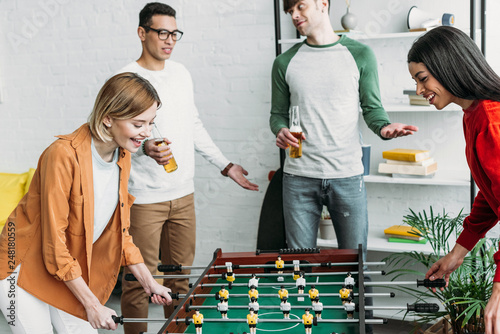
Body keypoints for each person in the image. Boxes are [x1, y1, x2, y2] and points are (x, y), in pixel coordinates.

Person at [117, 3, 259, 333]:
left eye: (175, 33)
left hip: (183, 195)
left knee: (180, 279)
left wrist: (226, 166)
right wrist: (143, 149)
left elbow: (192, 124)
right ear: (142, 33)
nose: (170, 40)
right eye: (162, 32)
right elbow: (113, 134)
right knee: (140, 281)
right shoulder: (126, 78)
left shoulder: (181, 74)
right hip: (143, 199)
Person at [0, 72, 173, 333]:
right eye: (139, 124)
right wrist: (92, 304)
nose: (147, 133)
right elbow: (53, 243)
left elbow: (120, 234)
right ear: (107, 118)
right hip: (20, 265)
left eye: (151, 123)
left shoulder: (123, 155)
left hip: (63, 267)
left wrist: (150, 284)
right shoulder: (61, 155)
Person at [270, 0, 417, 252]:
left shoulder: (360, 54)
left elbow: (372, 108)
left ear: (322, 4)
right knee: (299, 268)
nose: (294, 15)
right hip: (298, 178)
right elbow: (277, 114)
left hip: (347, 177)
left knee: (354, 264)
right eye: (289, 11)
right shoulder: (284, 62)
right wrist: (280, 129)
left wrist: (384, 128)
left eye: (300, 7)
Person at [407, 26, 500, 334]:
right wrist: (456, 254)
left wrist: (499, 286)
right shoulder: (472, 114)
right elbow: (490, 194)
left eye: (423, 79)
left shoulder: (491, 120)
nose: (420, 90)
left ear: (449, 66)